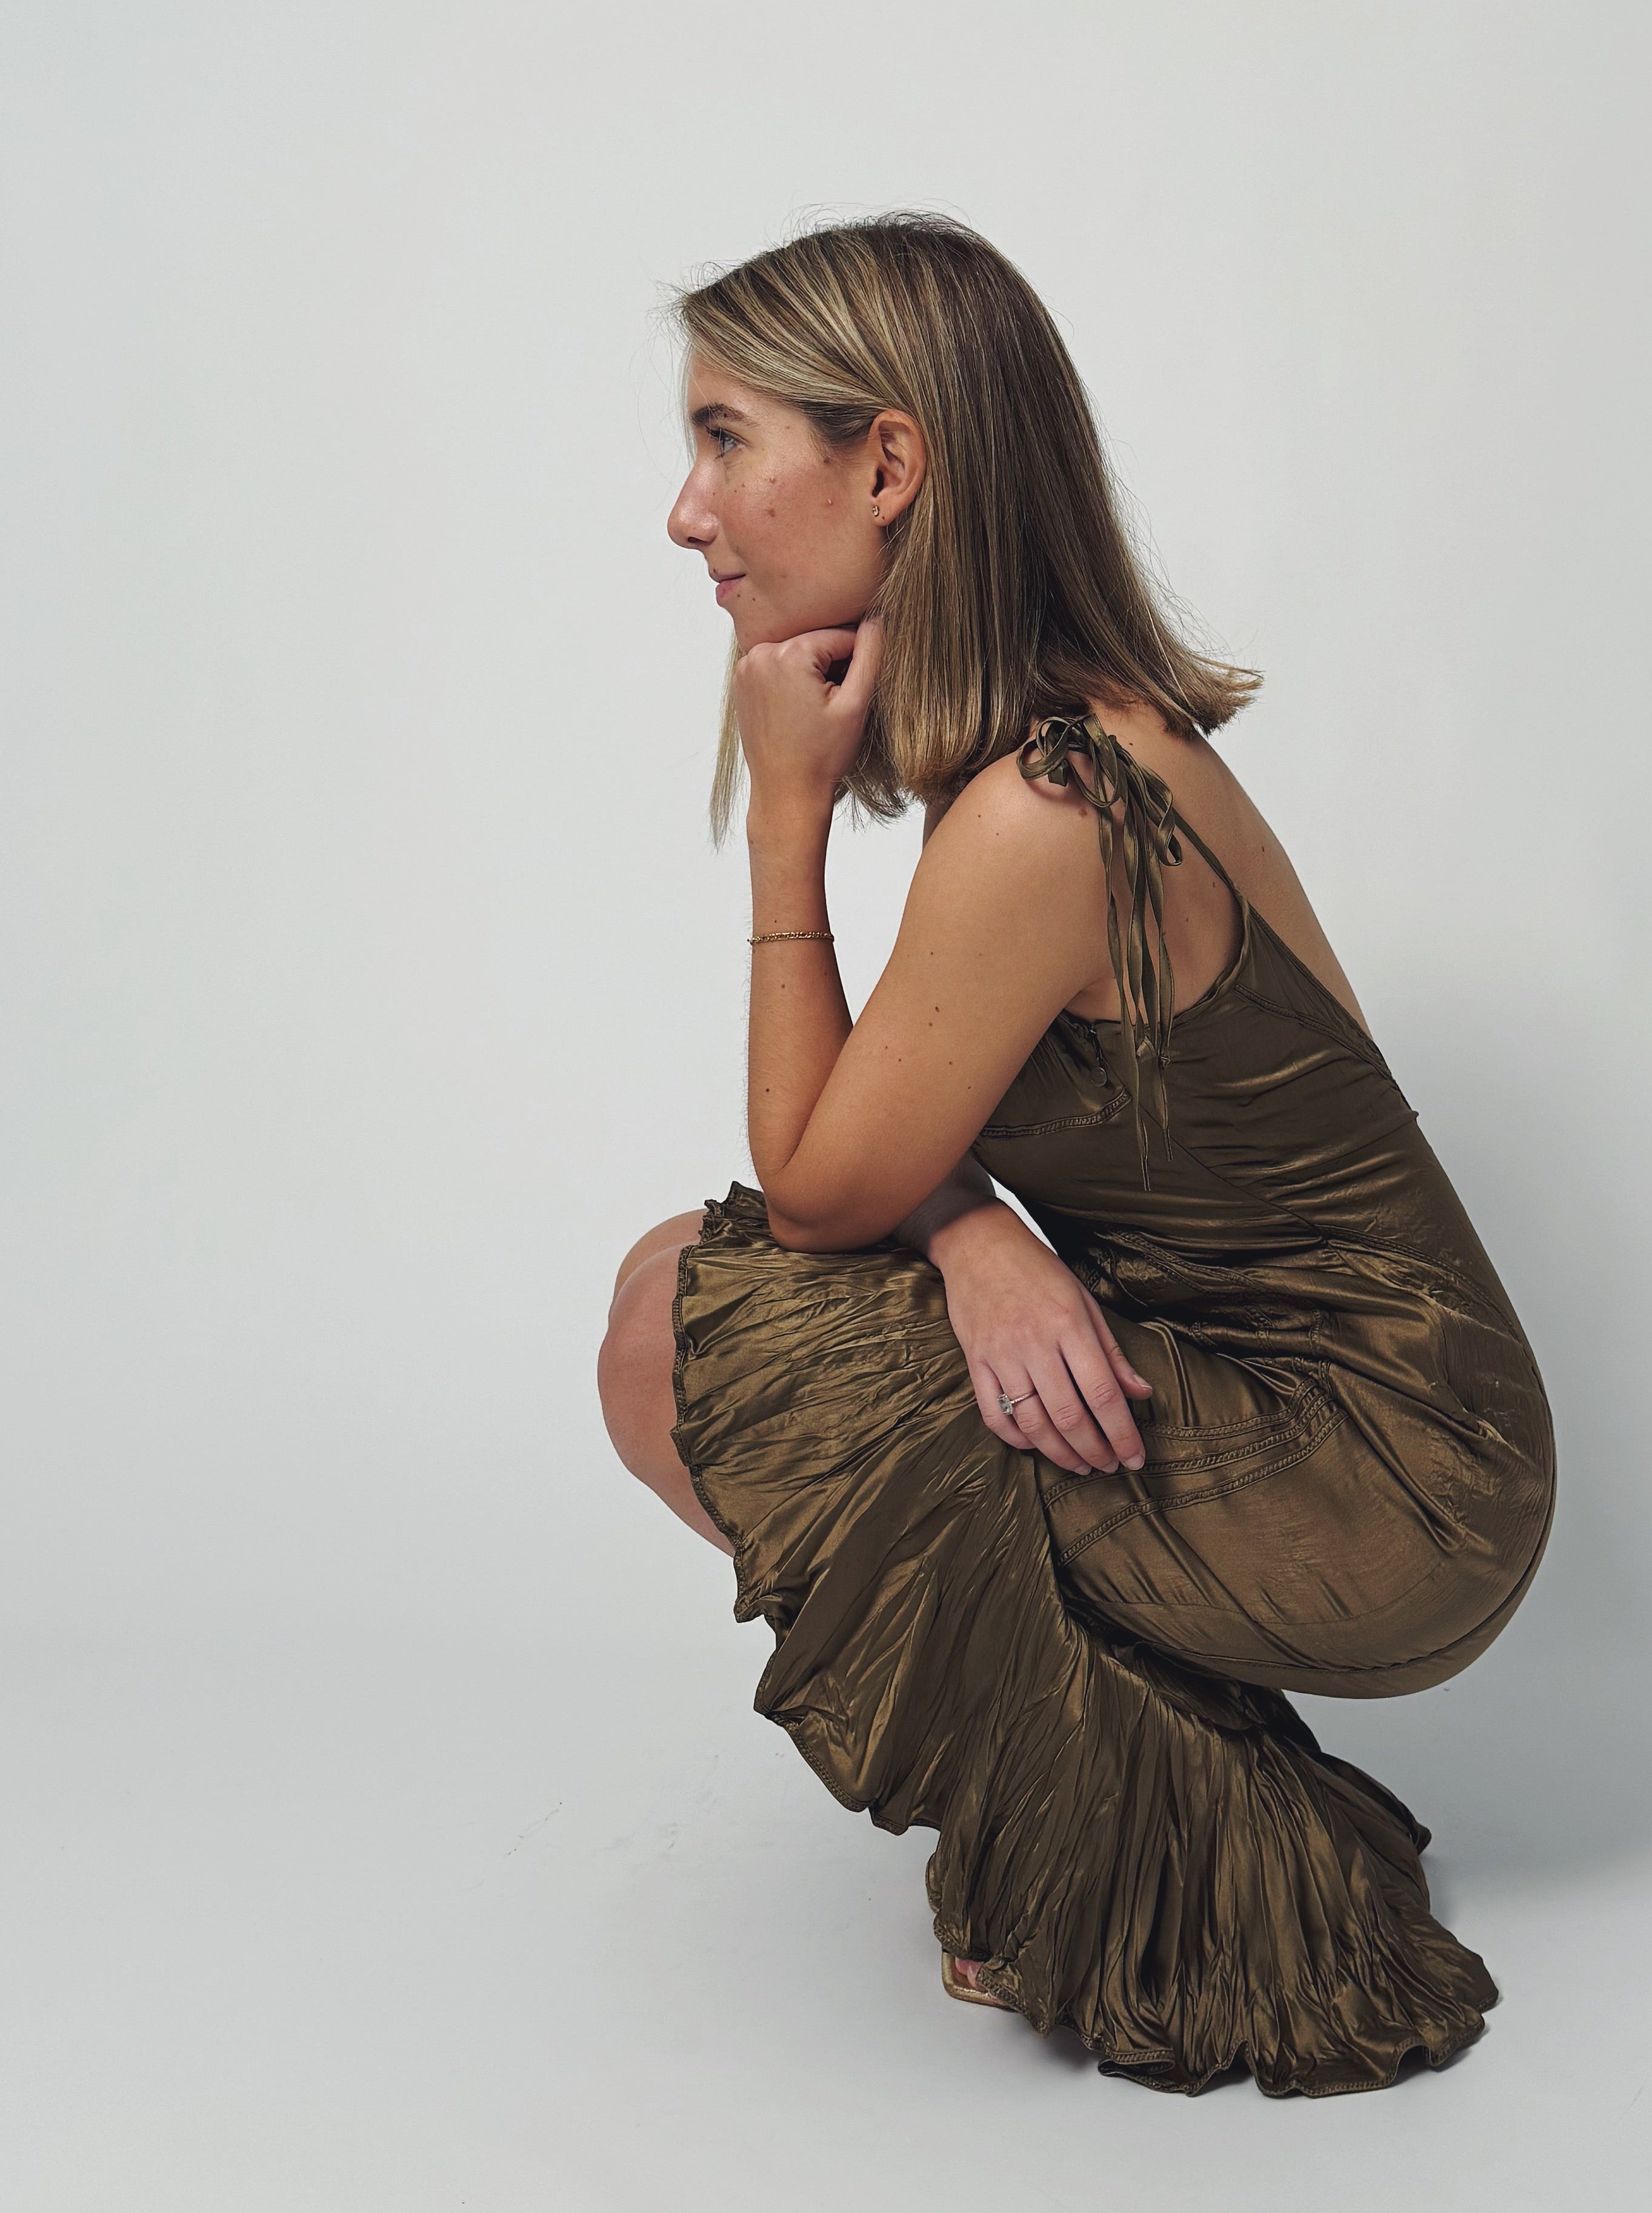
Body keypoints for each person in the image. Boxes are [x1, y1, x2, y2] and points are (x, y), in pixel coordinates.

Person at [598, 216, 1554, 2097]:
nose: (685, 513)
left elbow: (810, 1193)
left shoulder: (1054, 803)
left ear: (885, 464)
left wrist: (784, 814)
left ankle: (1166, 1864)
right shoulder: (1041, 763)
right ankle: (1131, 1796)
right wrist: (974, 1237)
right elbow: (874, 1171)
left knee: (679, 1336)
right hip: (1266, 1398)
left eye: (724, 440)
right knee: (668, 1287)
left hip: (1389, 1469)